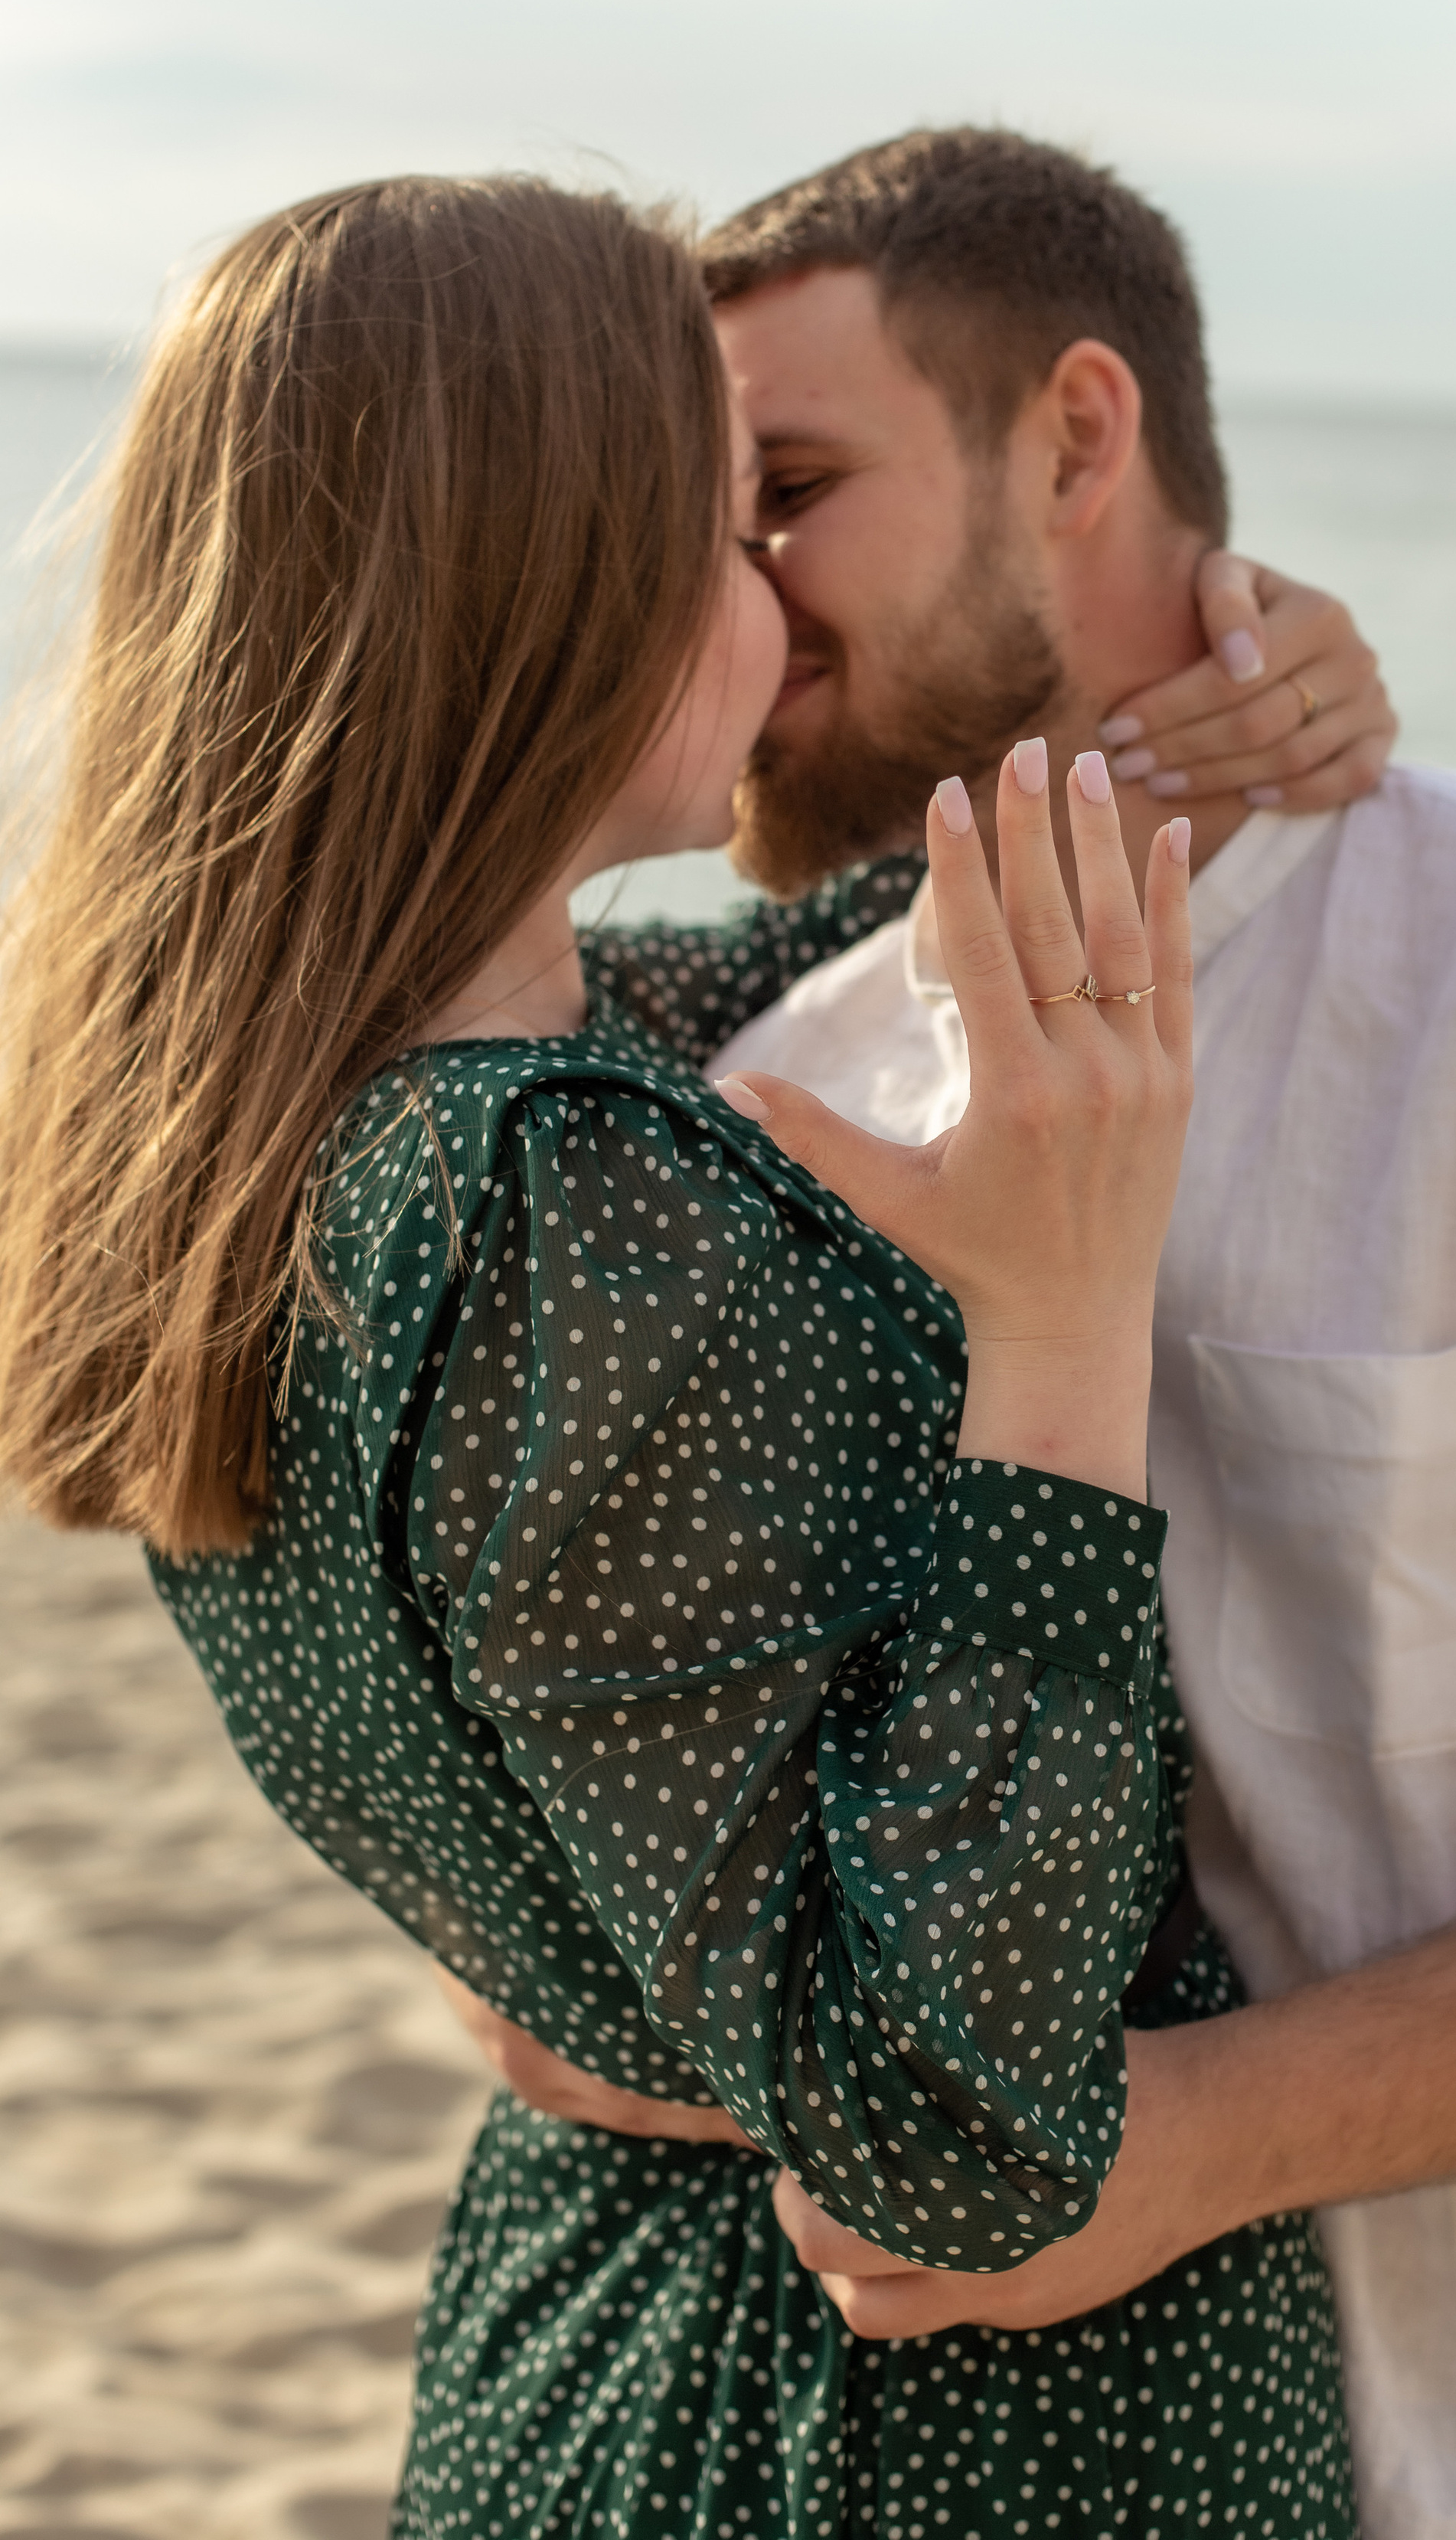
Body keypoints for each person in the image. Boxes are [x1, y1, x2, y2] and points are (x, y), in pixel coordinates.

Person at [474, 127, 1456, 2540]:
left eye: (791, 490)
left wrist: (1182, 2150)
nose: (733, 603)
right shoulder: (771, 1096)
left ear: (1078, 437)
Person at [0, 172, 1374, 2540]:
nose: (778, 596)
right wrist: (1058, 1332)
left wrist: (1215, 717)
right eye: (733, 528)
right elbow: (959, 2133)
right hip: (901, 2440)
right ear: (559, 576)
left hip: (600, 2324)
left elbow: (841, 954)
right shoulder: (559, 1202)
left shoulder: (292, 1132)